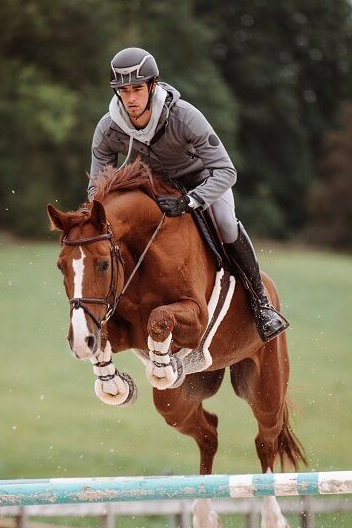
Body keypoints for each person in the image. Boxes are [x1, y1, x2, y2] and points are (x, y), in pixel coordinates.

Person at [88, 47, 289, 343]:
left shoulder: (184, 116)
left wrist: (190, 200)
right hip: (152, 192)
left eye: (137, 89)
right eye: (123, 90)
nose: (130, 98)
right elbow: (97, 189)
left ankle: (261, 303)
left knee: (226, 223)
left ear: (152, 86)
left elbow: (226, 170)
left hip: (201, 183)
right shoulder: (108, 129)